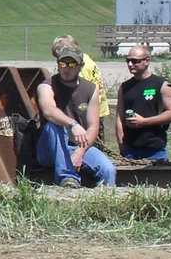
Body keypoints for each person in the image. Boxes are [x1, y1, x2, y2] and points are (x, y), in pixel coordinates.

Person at [36, 40, 116, 188]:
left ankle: (106, 201)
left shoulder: (90, 89)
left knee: (108, 169)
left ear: (80, 66)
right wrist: (72, 124)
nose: (67, 69)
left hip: (77, 146)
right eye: (63, 64)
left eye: (72, 65)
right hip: (50, 148)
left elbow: (93, 127)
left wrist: (80, 152)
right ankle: (68, 179)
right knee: (54, 127)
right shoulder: (46, 86)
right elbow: (48, 111)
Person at [114, 46, 171, 162]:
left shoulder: (161, 84)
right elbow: (119, 118)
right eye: (128, 60)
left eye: (135, 61)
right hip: (130, 150)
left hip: (155, 150)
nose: (130, 64)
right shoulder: (125, 87)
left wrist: (144, 122)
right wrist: (122, 146)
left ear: (147, 61)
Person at [51, 34, 111, 132]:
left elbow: (78, 92)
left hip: (89, 109)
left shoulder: (79, 67)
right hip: (98, 105)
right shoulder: (87, 59)